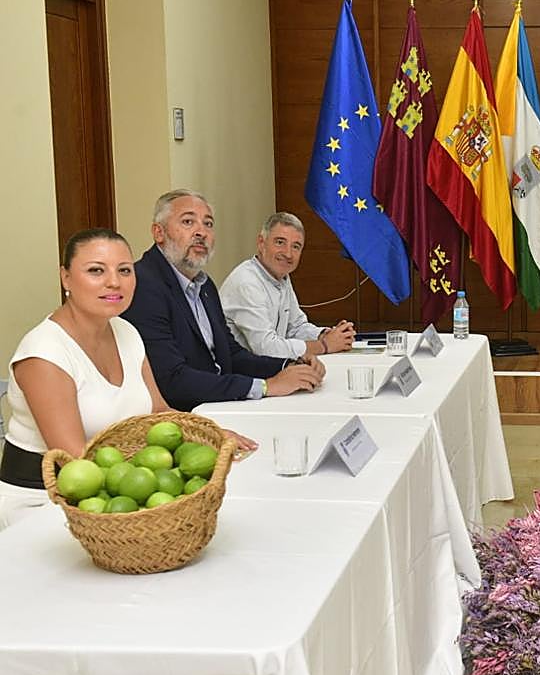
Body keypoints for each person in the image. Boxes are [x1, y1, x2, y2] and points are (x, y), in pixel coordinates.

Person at [0, 229, 171, 527]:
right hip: (43, 505)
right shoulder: (44, 352)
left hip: (119, 491)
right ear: (66, 278)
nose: (114, 282)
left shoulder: (126, 332)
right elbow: (76, 461)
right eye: (96, 271)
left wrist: (215, 438)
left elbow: (158, 412)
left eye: (124, 270)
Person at [122, 189, 325, 412]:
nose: (201, 232)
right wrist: (266, 386)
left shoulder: (204, 285)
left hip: (219, 403)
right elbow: (172, 381)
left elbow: (231, 355)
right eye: (188, 222)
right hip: (184, 418)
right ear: (159, 233)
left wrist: (290, 365)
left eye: (208, 224)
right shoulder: (143, 285)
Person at [220, 212, 356, 358]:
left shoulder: (280, 275)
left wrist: (326, 334)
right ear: (261, 243)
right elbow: (266, 348)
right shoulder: (246, 282)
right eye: (280, 242)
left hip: (268, 369)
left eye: (296, 246)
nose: (288, 254)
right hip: (243, 375)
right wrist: (324, 345)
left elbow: (295, 327)